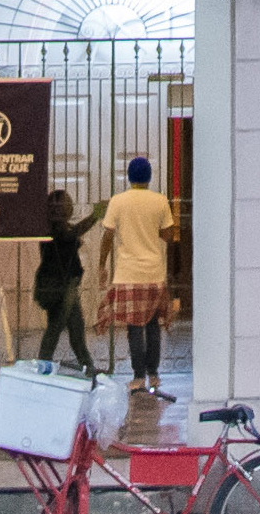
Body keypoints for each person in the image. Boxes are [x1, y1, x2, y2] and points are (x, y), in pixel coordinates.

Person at [95, 153, 178, 390]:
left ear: (129, 177)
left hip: (128, 273)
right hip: (153, 272)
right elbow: (168, 235)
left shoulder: (118, 202)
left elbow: (108, 235)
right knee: (152, 325)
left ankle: (138, 376)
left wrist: (102, 265)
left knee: (134, 327)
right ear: (149, 177)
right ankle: (154, 375)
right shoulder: (160, 201)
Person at [26, 182, 101, 375]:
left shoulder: (54, 227)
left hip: (64, 286)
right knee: (56, 328)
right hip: (60, 288)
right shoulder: (54, 230)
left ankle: (88, 367)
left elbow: (71, 237)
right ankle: (43, 367)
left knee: (75, 329)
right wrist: (95, 216)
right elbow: (70, 237)